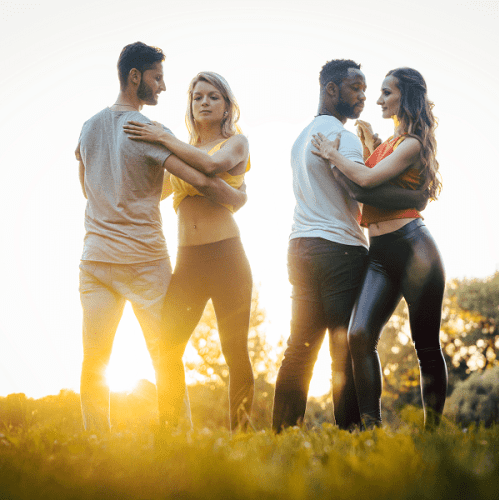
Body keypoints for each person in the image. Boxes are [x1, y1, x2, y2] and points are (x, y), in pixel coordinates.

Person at [76, 44, 246, 432]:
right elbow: (200, 179)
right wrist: (239, 196)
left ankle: (95, 446)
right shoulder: (151, 132)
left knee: (95, 358)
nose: (164, 87)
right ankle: (177, 443)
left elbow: (87, 186)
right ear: (135, 77)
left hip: (96, 259)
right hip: (144, 263)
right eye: (157, 77)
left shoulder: (88, 127)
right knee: (165, 355)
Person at [272, 59, 429, 433]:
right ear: (331, 90)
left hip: (300, 247)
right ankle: (353, 435)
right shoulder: (341, 139)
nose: (363, 96)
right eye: (355, 89)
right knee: (344, 348)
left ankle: (282, 435)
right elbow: (363, 187)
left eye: (365, 89)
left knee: (300, 348)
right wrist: (418, 198)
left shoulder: (302, 137)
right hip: (340, 249)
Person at [311, 67, 447, 430]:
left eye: (387, 92)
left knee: (426, 346)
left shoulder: (412, 144)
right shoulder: (390, 143)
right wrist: (371, 144)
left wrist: (331, 153)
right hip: (380, 254)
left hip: (414, 248)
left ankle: (434, 433)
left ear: (406, 98)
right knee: (359, 336)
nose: (378, 99)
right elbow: (369, 185)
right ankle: (371, 430)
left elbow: (367, 180)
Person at [123, 71, 254, 432]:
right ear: (190, 104)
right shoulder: (179, 150)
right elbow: (148, 192)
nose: (204, 103)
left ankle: (242, 437)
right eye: (198, 97)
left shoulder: (236, 143)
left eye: (213, 96)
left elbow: (211, 166)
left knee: (235, 352)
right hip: (189, 263)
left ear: (227, 106)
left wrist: (164, 138)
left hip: (228, 257)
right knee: (167, 348)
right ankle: (172, 435)